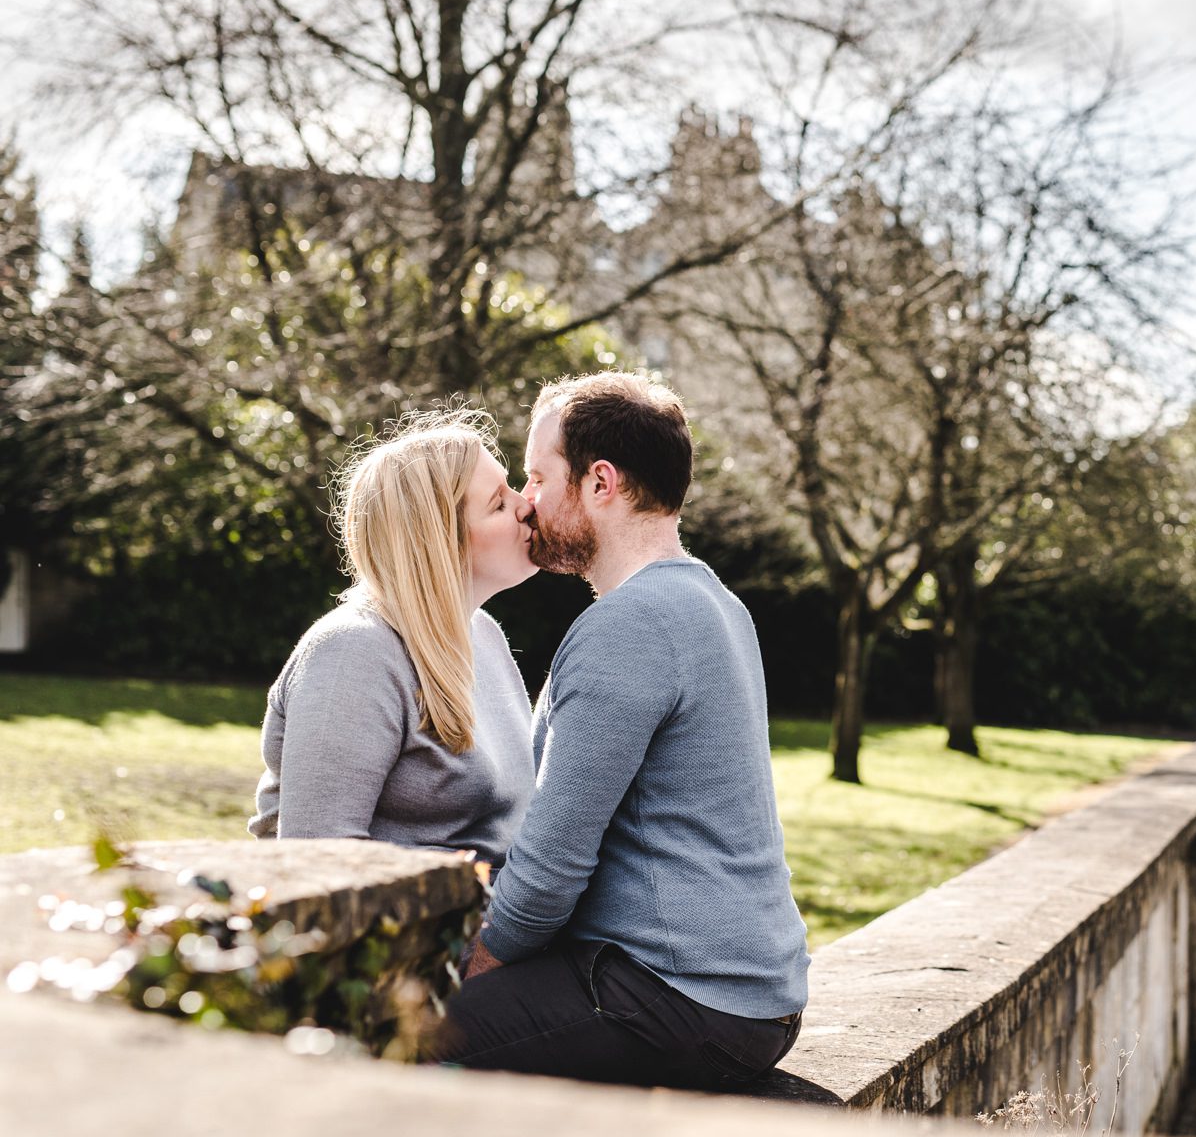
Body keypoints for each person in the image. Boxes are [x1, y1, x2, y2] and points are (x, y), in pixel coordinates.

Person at [438, 371, 809, 1091]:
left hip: (682, 998)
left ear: (600, 482)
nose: (527, 500)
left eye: (538, 475)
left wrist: (458, 966)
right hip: (755, 996)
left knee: (398, 1034)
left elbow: (548, 874)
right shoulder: (714, 600)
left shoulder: (627, 625)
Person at [250, 411, 539, 867]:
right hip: (406, 934)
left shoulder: (483, 634)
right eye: (498, 504)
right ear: (439, 539)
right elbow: (319, 866)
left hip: (496, 932)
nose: (527, 505)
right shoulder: (354, 654)